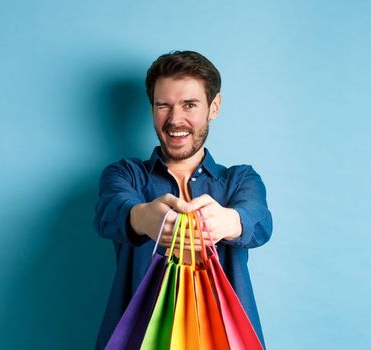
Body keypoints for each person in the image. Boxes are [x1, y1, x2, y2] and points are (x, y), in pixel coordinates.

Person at [93, 50, 273, 348]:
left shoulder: (240, 179)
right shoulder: (126, 174)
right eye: (164, 105)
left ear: (213, 106)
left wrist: (230, 221)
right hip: (137, 340)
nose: (175, 119)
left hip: (225, 340)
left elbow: (259, 219)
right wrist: (141, 217)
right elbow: (110, 211)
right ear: (151, 109)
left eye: (189, 105)